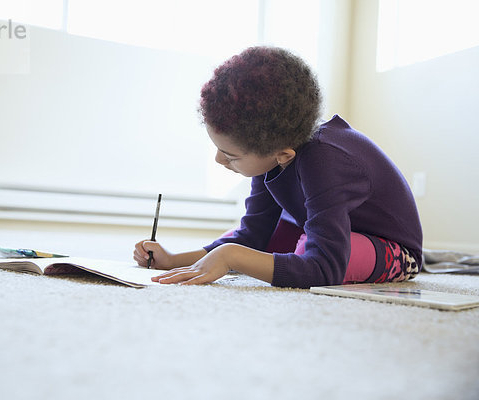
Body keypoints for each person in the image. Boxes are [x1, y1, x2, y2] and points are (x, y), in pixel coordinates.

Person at [133, 46, 422, 288]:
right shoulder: (274, 152)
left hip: (395, 252)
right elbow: (252, 236)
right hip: (329, 233)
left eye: (230, 155)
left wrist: (233, 256)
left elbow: (324, 269)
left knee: (296, 250)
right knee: (273, 241)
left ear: (283, 154)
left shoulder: (326, 161)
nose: (219, 161)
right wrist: (173, 259)